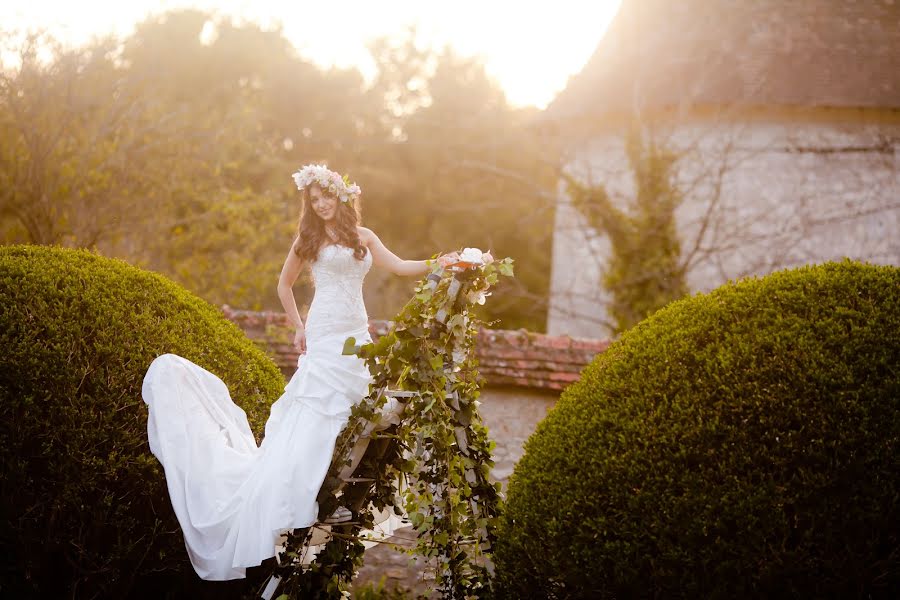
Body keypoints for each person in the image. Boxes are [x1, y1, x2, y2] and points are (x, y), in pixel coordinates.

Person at [141, 164, 458, 581]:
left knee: (354, 408)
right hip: (324, 332)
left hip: (357, 333)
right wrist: (299, 326)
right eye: (314, 200)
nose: (322, 204)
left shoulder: (365, 237)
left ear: (342, 197)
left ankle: (330, 485)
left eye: (326, 197)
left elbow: (399, 266)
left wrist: (444, 263)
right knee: (316, 409)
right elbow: (284, 285)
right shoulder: (308, 240)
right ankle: (297, 495)